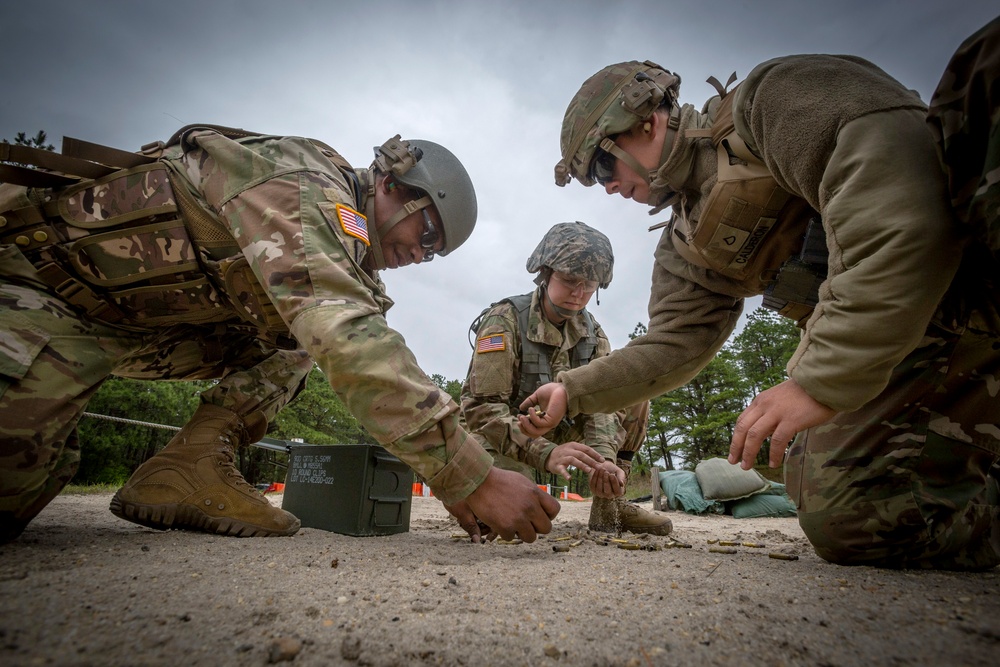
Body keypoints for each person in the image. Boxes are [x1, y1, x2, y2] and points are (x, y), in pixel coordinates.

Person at [519, 21, 1000, 570]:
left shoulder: (772, 101)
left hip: (971, 283)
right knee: (849, 514)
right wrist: (572, 390)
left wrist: (821, 377)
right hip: (914, 355)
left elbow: (897, 190)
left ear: (645, 121)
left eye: (603, 165)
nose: (606, 186)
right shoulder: (685, 244)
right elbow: (672, 346)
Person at [0, 125, 559, 543]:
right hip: (37, 289)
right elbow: (347, 335)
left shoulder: (352, 258)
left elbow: (374, 352)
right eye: (426, 229)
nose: (420, 252)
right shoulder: (306, 185)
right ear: (390, 183)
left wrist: (444, 478)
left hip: (124, 328)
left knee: (296, 335)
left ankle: (190, 462)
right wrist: (472, 476)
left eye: (434, 250)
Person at [459, 221, 672, 535]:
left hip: (559, 430)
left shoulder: (592, 333)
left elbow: (604, 405)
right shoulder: (504, 321)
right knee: (515, 518)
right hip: (502, 435)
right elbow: (482, 413)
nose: (579, 292)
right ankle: (486, 496)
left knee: (633, 392)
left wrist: (604, 462)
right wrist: (545, 453)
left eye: (590, 284)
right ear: (545, 273)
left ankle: (608, 506)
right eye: (570, 279)